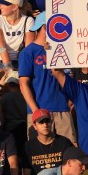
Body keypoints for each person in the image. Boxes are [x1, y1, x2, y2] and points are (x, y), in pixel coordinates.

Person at [19, 12, 77, 144]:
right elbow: (23, 84)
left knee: (70, 152)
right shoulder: (28, 53)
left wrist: (71, 98)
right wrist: (35, 110)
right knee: (40, 155)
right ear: (45, 27)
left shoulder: (63, 49)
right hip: (39, 111)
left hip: (62, 108)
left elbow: (69, 76)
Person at [0, 0, 35, 69]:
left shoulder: (28, 20)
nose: (0, 6)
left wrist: (23, 69)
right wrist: (8, 68)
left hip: (22, 61)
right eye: (0, 3)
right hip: (2, 62)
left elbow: (28, 50)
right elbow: (1, 49)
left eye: (4, 4)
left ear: (15, 7)